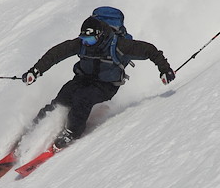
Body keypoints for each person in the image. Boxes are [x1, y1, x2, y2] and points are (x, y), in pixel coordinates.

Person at [22, 14, 175, 151]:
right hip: (82, 78)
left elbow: (150, 51)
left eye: (90, 40)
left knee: (82, 98)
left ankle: (72, 132)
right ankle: (35, 126)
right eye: (84, 39)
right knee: (62, 98)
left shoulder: (119, 45)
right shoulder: (81, 44)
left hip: (106, 85)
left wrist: (165, 69)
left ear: (100, 35)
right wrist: (36, 71)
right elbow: (56, 53)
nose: (87, 43)